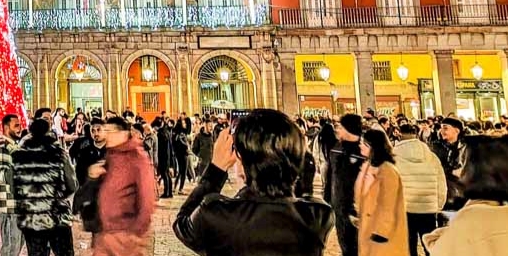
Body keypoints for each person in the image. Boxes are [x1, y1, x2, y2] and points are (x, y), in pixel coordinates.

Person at [174, 108, 334, 256]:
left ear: (241, 159)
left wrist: (216, 170)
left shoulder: (216, 215)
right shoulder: (318, 217)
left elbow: (182, 223)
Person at [423, 136, 508, 255]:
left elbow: (444, 251)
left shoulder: (470, 219)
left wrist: (437, 238)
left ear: (473, 172)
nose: (457, 172)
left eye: (461, 165)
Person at [89, 116, 156, 256]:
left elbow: (147, 199)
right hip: (105, 234)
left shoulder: (137, 158)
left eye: (111, 131)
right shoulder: (110, 156)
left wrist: (136, 233)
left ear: (123, 134)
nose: (107, 135)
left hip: (126, 236)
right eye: (106, 131)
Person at [12, 118, 77, 256]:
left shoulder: (19, 155)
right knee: (64, 253)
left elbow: (14, 188)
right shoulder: (58, 153)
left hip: (31, 217)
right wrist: (58, 193)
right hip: (57, 214)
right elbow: (72, 184)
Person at [392, 122, 446, 256]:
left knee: (408, 246)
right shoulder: (431, 156)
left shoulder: (394, 156)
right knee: (429, 244)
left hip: (405, 208)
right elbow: (441, 183)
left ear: (399, 133)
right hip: (427, 208)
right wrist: (438, 205)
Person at [355, 129, 407, 256]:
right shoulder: (367, 165)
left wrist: (381, 231)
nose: (360, 145)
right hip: (368, 226)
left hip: (382, 232)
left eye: (364, 143)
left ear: (373, 147)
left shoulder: (387, 170)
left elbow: (389, 203)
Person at [326, 114, 367, 256]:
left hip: (359, 209)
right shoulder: (336, 148)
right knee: (346, 246)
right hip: (339, 206)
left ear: (349, 129)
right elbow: (330, 175)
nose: (338, 130)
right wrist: (328, 199)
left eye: (340, 127)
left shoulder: (364, 151)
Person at [0, 114, 24, 256]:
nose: (19, 128)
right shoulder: (1, 146)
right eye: (16, 125)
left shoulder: (12, 145)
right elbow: (3, 174)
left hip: (13, 204)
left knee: (17, 243)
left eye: (20, 125)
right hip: (7, 205)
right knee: (11, 245)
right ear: (6, 127)